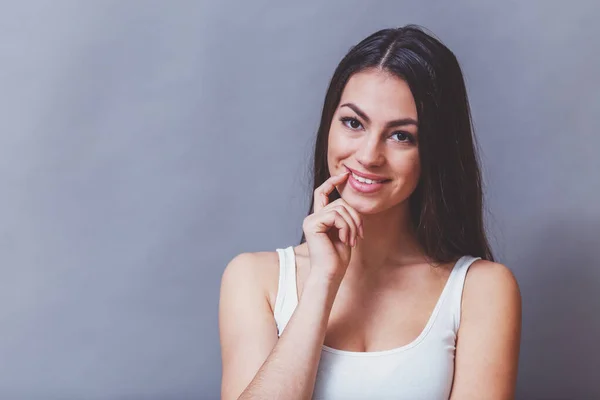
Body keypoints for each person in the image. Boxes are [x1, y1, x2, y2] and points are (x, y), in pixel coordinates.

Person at [219, 24, 521, 400]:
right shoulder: (255, 280)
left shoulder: (481, 290)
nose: (368, 156)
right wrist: (322, 283)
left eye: (401, 136)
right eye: (353, 123)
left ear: (435, 153)